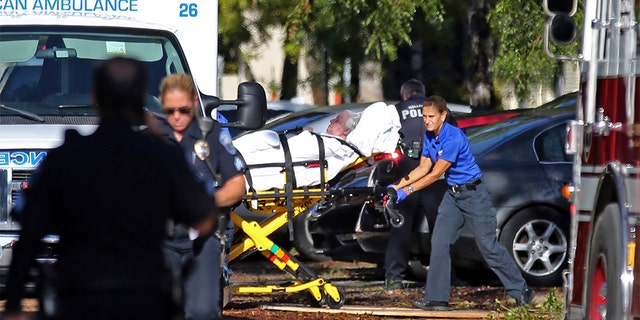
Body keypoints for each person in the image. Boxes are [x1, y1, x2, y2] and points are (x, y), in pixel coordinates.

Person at [2, 57, 219, 320]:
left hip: (80, 300)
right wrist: (161, 144)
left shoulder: (65, 159)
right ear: (141, 96)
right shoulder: (163, 158)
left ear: (95, 96)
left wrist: (14, 304)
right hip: (145, 298)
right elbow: (205, 219)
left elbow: (29, 236)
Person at [388, 95, 534, 311]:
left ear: (443, 116)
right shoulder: (429, 136)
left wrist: (407, 191)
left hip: (474, 194)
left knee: (488, 246)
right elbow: (422, 169)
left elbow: (435, 174)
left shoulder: (453, 137)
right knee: (439, 242)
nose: (426, 121)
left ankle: (522, 291)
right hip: (453, 196)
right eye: (424, 117)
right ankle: (437, 299)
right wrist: (395, 187)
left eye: (431, 116)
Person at [158, 74, 246, 320]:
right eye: (170, 110)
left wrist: (206, 202)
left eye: (184, 110)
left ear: (195, 103)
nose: (176, 116)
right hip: (160, 239)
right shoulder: (151, 139)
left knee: (202, 312)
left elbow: (237, 184)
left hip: (201, 236)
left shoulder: (211, 135)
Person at [384, 80, 448, 292]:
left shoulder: (396, 111)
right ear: (423, 93)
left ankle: (394, 278)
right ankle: (446, 277)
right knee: (439, 230)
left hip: (406, 175)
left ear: (405, 95)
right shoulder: (439, 110)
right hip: (436, 177)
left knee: (400, 229)